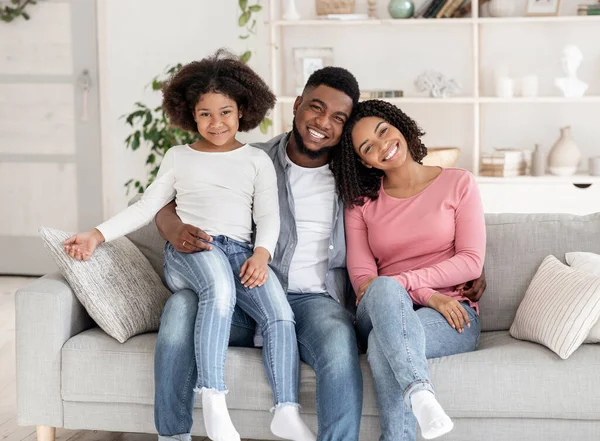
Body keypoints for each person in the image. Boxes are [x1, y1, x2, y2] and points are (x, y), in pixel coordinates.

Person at [154, 70, 488, 441]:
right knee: (182, 306)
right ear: (297, 106)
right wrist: (172, 229)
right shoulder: (250, 159)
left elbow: (421, 226)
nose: (322, 123)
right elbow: (167, 203)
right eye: (315, 108)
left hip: (316, 302)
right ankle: (172, 435)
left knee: (339, 345)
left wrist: (460, 273)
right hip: (249, 298)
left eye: (338, 119)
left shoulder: (354, 180)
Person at [62, 49, 315, 441]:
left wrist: (262, 254)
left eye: (226, 112)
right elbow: (148, 206)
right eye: (205, 114)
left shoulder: (256, 161)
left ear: (243, 109)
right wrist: (97, 234)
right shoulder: (179, 156)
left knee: (279, 314)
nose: (216, 123)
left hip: (240, 252)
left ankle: (285, 408)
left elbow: (269, 217)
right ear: (190, 115)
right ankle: (213, 396)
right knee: (219, 288)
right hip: (192, 250)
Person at [331, 99, 486, 440]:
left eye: (383, 131)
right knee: (383, 290)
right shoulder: (361, 204)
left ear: (398, 125)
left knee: (380, 344)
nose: (383, 146)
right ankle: (419, 390)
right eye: (368, 146)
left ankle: (406, 421)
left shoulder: (459, 183)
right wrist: (428, 295)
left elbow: (471, 261)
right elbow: (363, 281)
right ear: (362, 160)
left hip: (453, 315)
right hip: (384, 304)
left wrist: (404, 283)